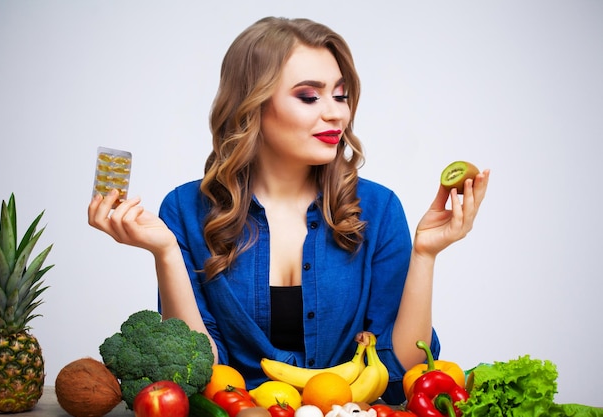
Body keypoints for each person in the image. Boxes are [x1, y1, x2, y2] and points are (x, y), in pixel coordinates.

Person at [88, 16, 490, 404]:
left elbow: (401, 374)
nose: (335, 112)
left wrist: (425, 254)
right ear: (252, 104)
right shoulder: (185, 210)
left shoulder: (379, 209)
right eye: (309, 96)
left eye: (341, 94)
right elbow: (201, 373)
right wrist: (166, 254)